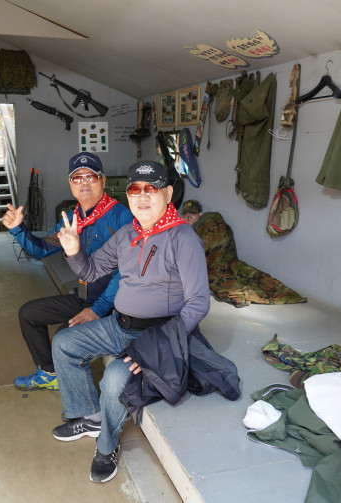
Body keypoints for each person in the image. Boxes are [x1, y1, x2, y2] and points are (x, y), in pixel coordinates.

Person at [51, 160, 210, 483]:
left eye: (152, 188)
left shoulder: (183, 237)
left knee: (113, 379)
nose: (143, 196)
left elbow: (198, 303)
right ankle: (91, 416)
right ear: (128, 195)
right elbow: (91, 271)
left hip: (157, 334)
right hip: (119, 325)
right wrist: (74, 251)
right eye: (135, 189)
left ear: (168, 194)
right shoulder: (127, 234)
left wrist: (157, 347)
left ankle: (106, 446)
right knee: (64, 342)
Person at [3, 152, 132, 391]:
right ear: (70, 184)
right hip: (84, 297)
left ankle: (84, 404)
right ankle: (49, 374)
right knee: (29, 314)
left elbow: (126, 273)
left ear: (103, 181)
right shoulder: (72, 218)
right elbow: (42, 248)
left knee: (64, 337)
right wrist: (19, 229)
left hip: (113, 306)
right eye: (77, 178)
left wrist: (97, 310)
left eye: (91, 176)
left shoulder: (121, 217)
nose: (84, 183)